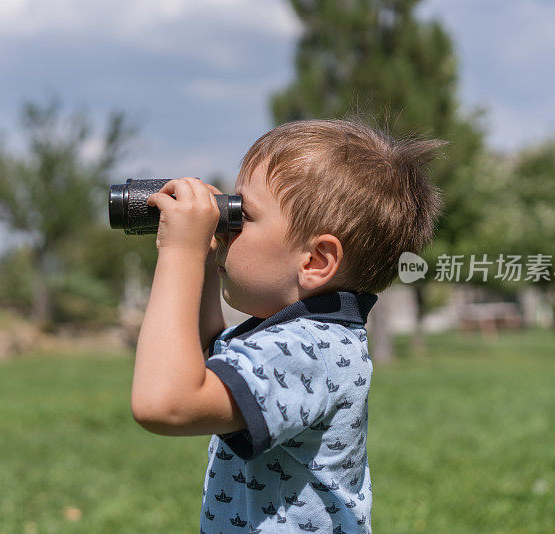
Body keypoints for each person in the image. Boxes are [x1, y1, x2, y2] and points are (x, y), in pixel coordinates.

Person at [132, 116, 445, 533]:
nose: (225, 230)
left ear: (315, 261)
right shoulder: (306, 336)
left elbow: (166, 402)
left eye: (241, 216)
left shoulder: (310, 348)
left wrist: (179, 251)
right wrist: (202, 260)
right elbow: (208, 358)